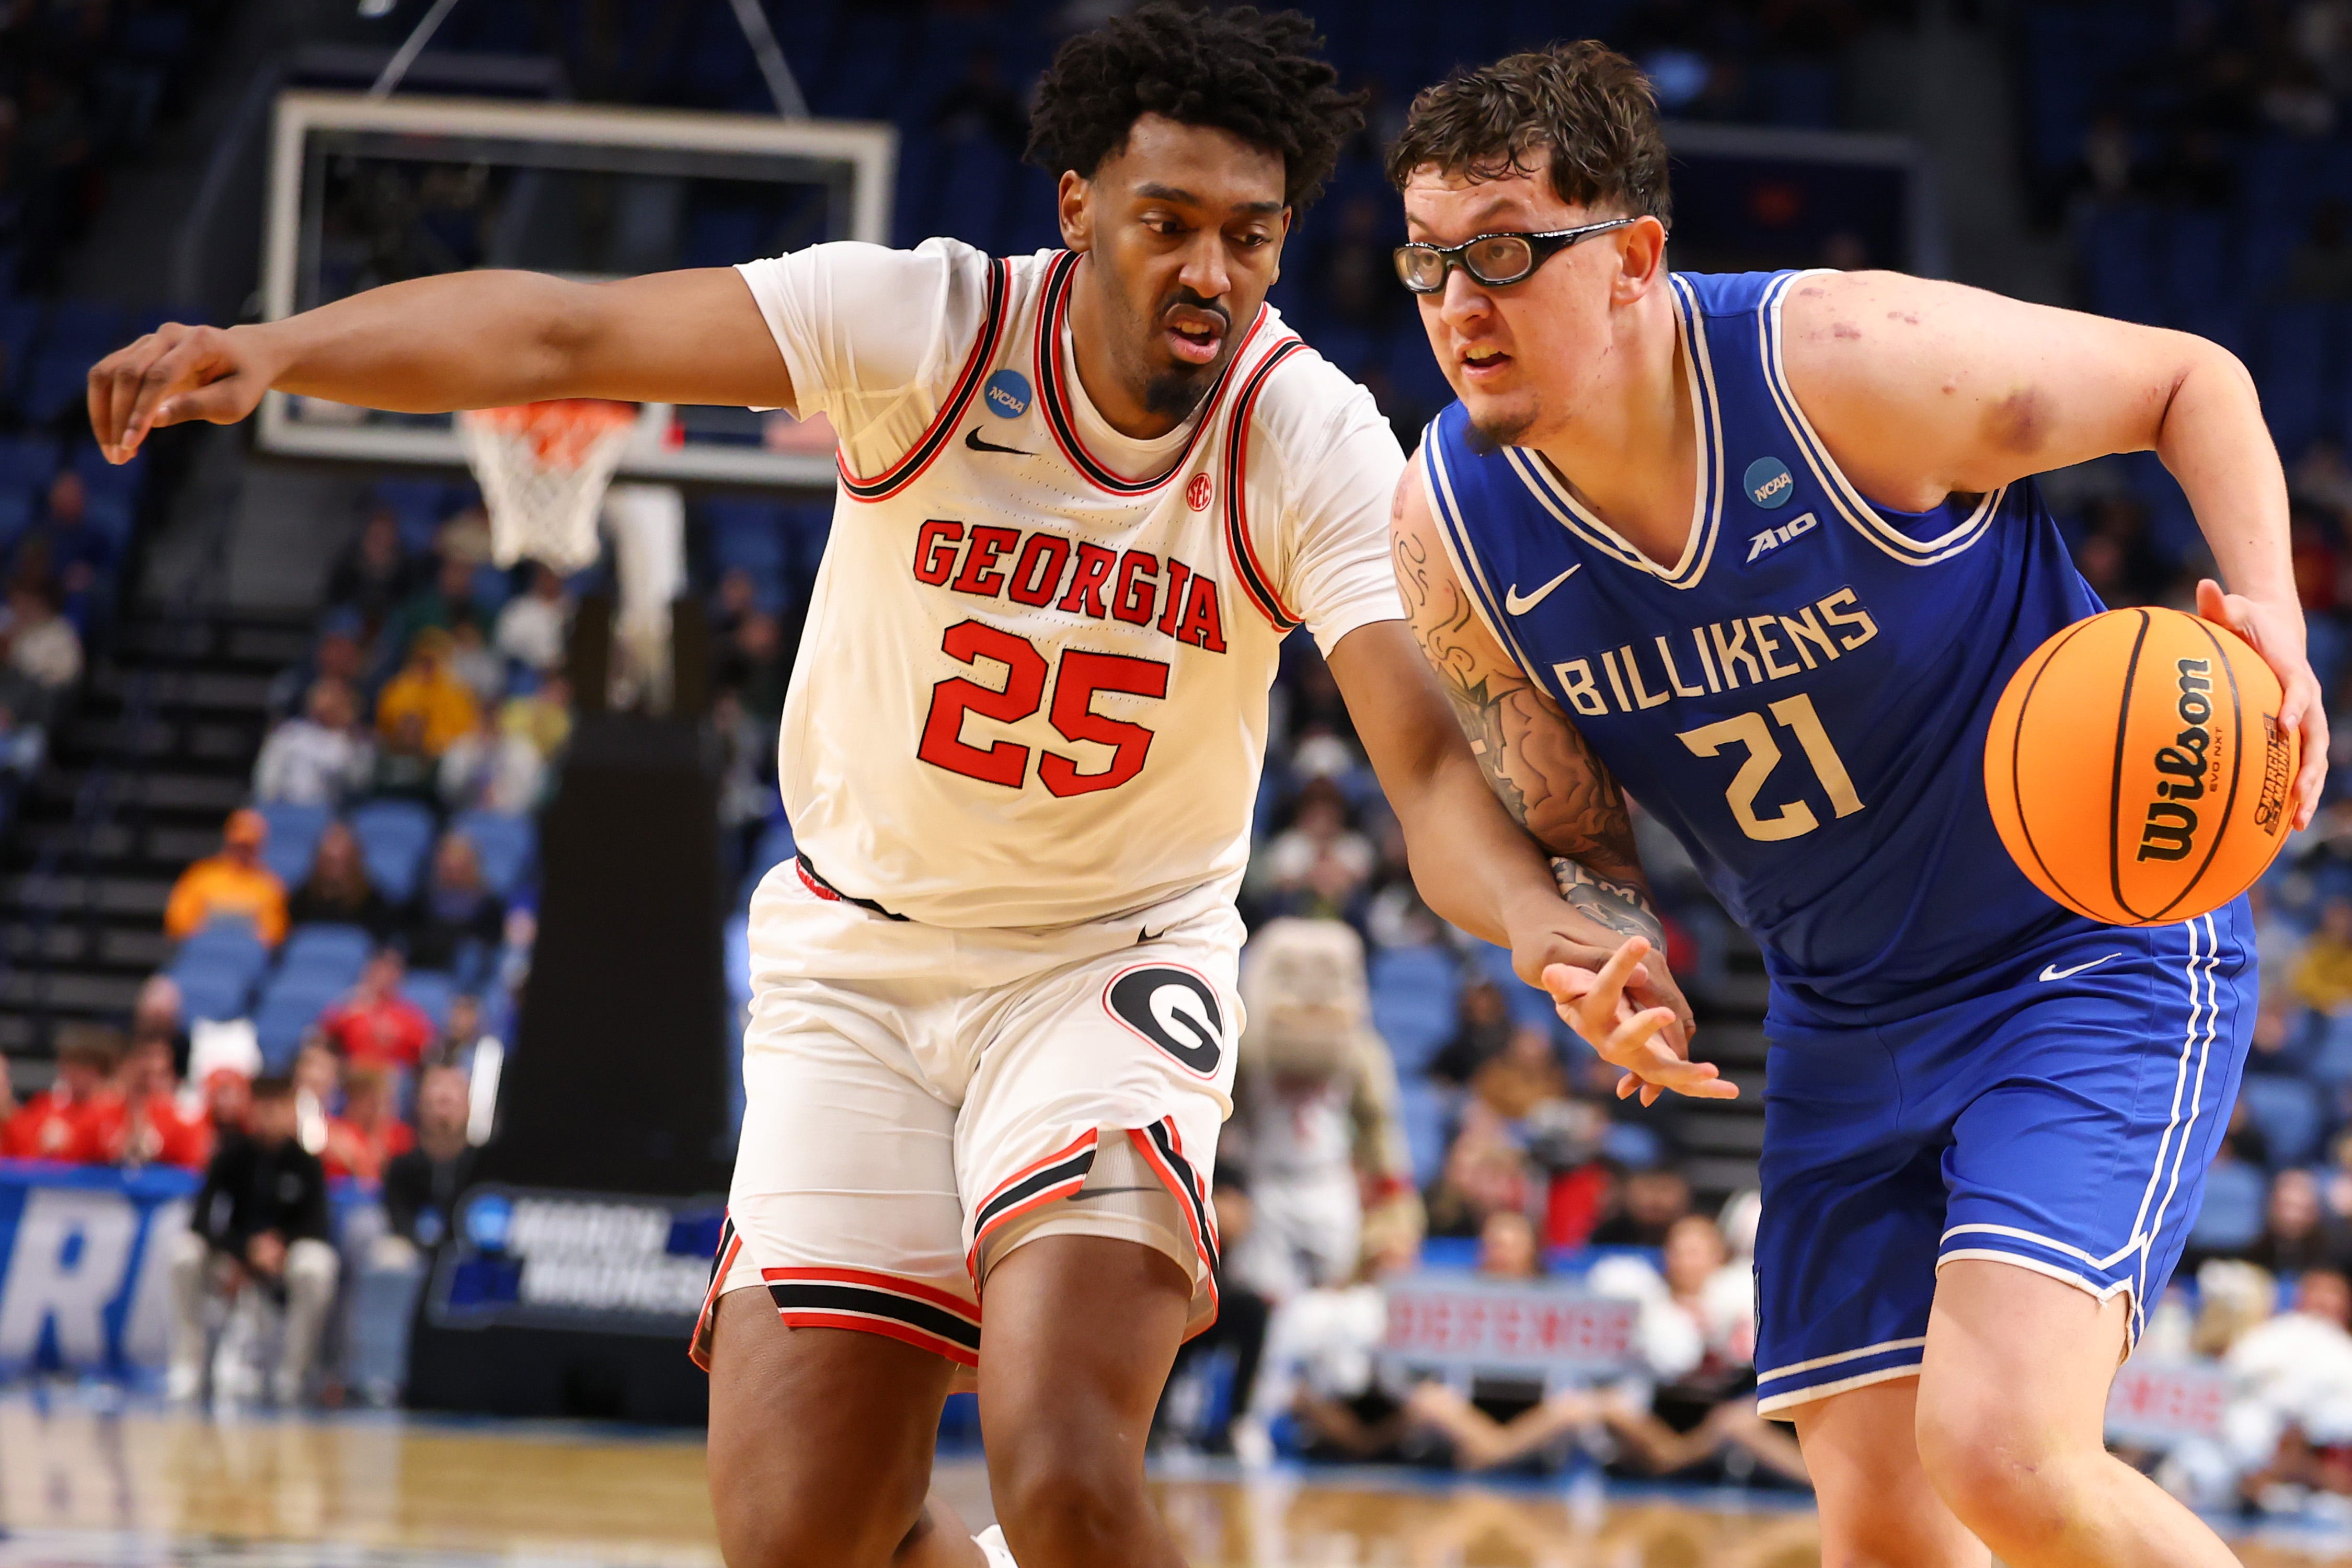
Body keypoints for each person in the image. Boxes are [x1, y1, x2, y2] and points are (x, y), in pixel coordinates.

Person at [84, 10, 1666, 1567]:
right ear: (1075, 209)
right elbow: (568, 336)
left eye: (1246, 239)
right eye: (1165, 223)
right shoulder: (920, 325)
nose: (1207, 273)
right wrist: (279, 350)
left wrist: (1544, 925)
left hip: (1104, 964)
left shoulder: (1303, 431)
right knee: (799, 1538)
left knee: (1061, 1469)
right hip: (857, 965)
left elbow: (1421, 769)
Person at [1386, 41, 2323, 1567]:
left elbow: (2180, 380)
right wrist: (1591, 939)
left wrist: (2273, 615)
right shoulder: (1449, 529)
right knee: (1880, 1521)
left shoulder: (1834, 366)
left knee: (2002, 1450)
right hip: (1835, 1005)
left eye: (1501, 252)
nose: (1455, 305)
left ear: (1629, 258)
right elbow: (1556, 816)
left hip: (2073, 954)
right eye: (1429, 262)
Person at [166, 1074, 338, 1405]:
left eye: (277, 1107)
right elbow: (202, 1220)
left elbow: (317, 1225)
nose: (269, 1116)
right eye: (262, 1107)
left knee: (317, 1266)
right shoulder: (230, 1158)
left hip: (284, 1261)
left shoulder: (306, 1164)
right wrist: (242, 1250)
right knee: (184, 1254)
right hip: (232, 1257)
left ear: (291, 1111)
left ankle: (293, 1372)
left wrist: (279, 1246)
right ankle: (188, 1364)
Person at [164, 808, 289, 947]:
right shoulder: (201, 875)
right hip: (204, 952)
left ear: (259, 847)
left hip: (245, 957)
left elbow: (274, 934)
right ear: (228, 842)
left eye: (248, 847)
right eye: (238, 846)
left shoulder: (270, 885)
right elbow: (177, 923)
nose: (242, 852)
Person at [0, 1027, 124, 1161]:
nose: (69, 1071)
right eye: (67, 1063)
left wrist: (73, 1140)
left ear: (97, 1070)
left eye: (79, 1065)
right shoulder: (47, 1105)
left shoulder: (117, 1110)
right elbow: (20, 1144)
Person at [254, 677, 374, 808]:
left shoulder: (352, 740)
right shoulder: (288, 734)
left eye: (334, 697)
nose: (326, 702)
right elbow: (267, 778)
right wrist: (268, 807)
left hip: (331, 816)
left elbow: (359, 782)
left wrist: (353, 738)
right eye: (323, 694)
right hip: (285, 810)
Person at [316, 949, 437, 1072]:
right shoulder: (348, 1006)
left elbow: (427, 1051)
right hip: (351, 1074)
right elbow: (322, 1038)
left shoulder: (411, 1014)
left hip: (395, 1078)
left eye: (391, 971)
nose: (383, 976)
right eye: (379, 970)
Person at [375, 628, 479, 759]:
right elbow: (387, 727)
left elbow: (467, 730)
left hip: (445, 757)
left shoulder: (458, 692)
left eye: (435, 659)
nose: (429, 665)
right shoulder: (399, 689)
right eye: (424, 659)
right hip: (404, 755)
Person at [286, 820, 397, 939]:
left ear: (354, 861)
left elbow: (387, 947)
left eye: (342, 861)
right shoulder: (300, 903)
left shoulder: (376, 904)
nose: (334, 869)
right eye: (329, 861)